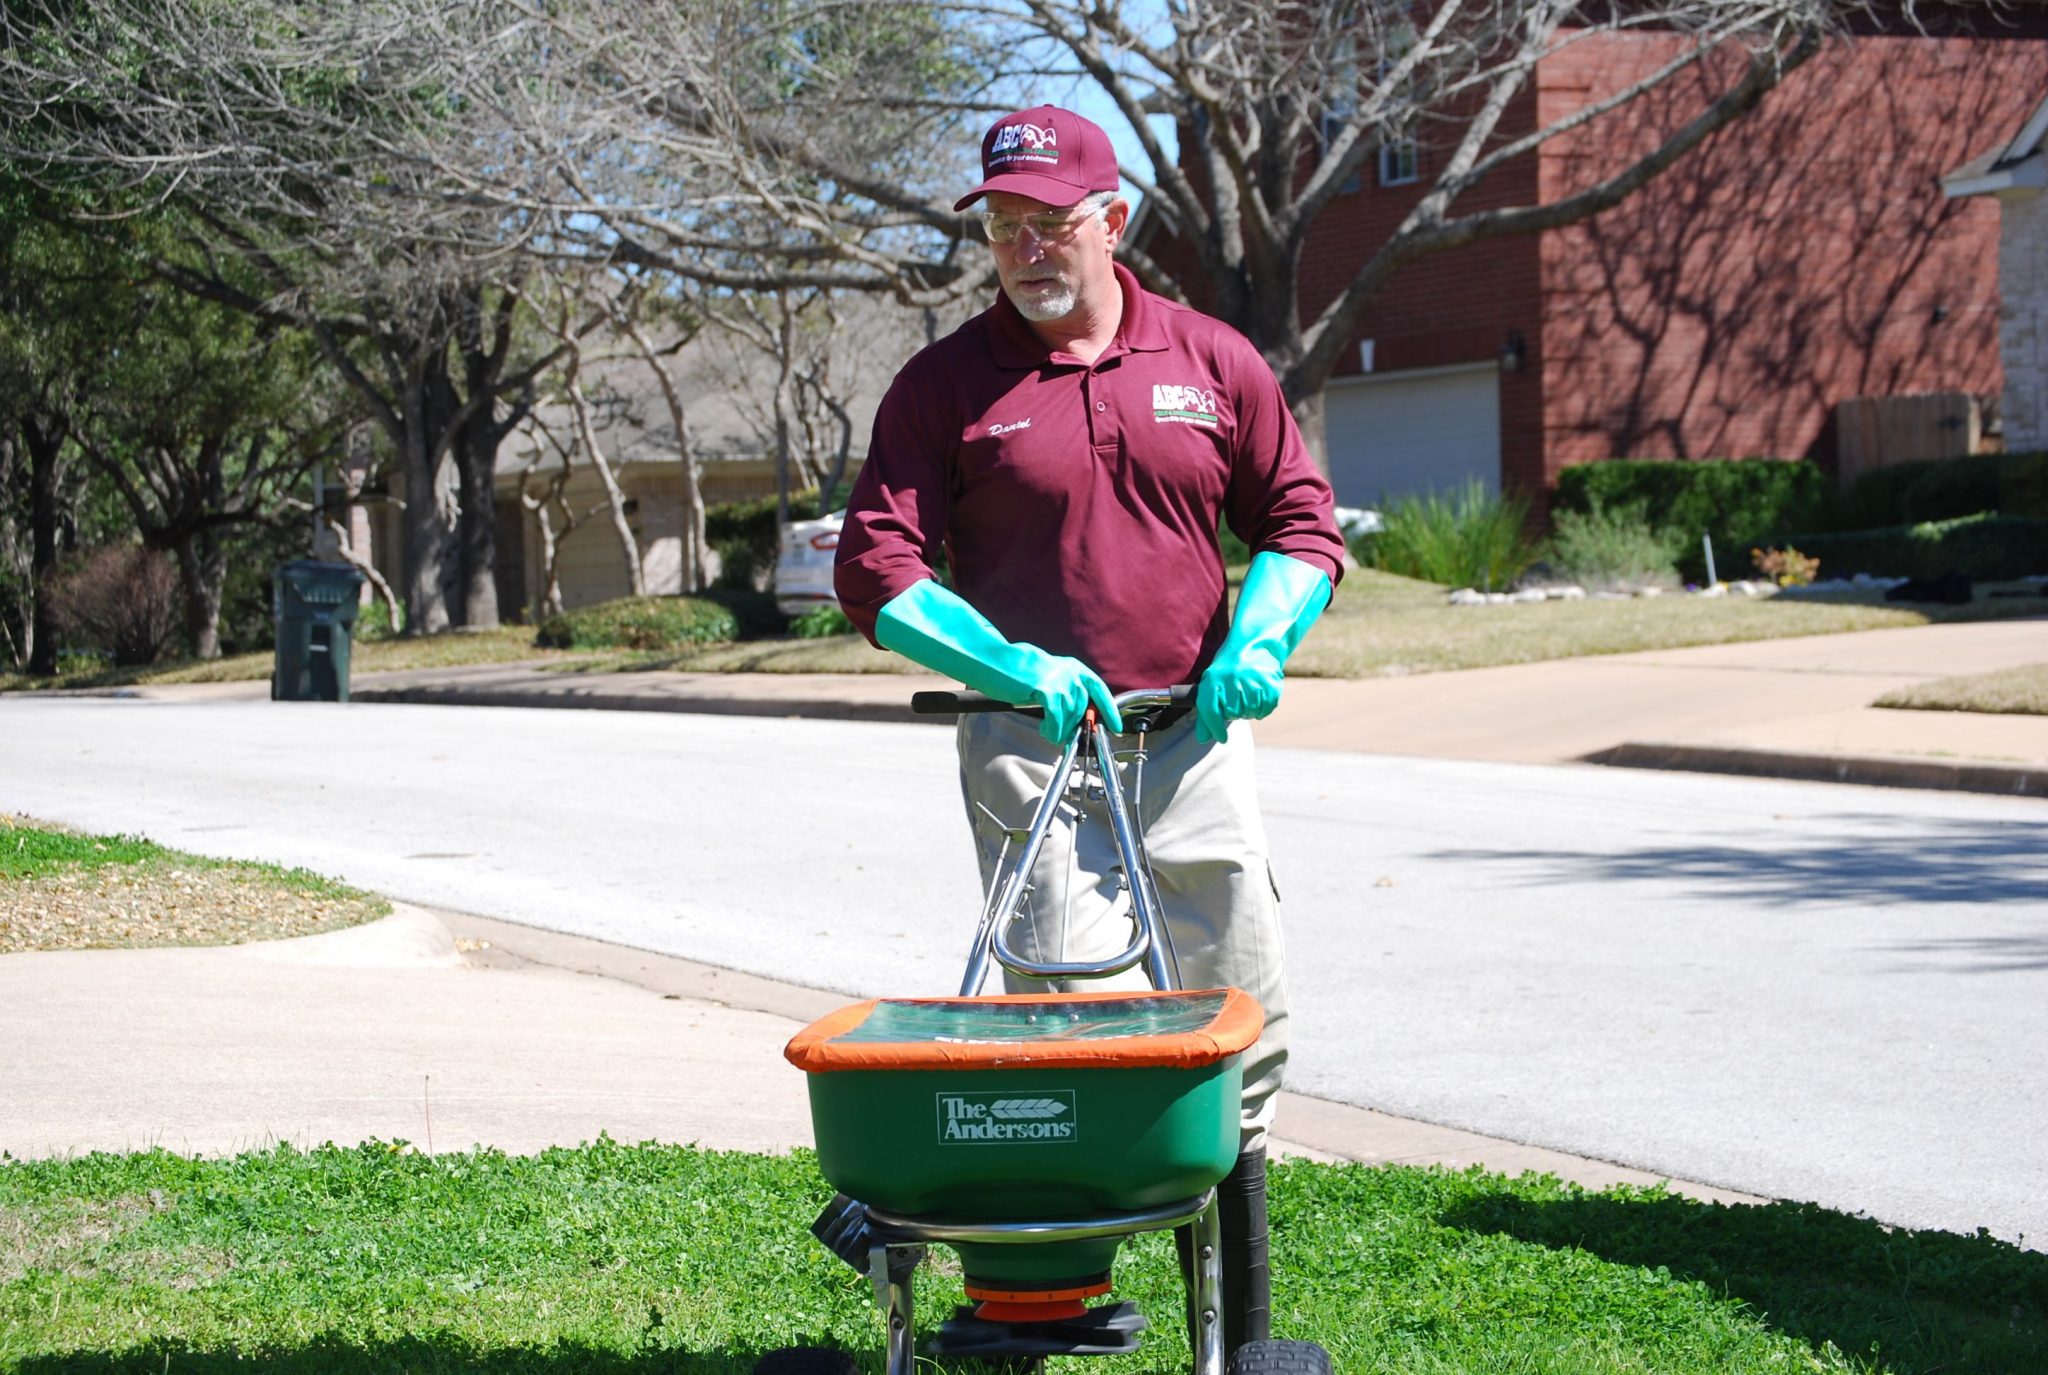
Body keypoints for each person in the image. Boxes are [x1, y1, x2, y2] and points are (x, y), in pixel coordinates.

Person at [833, 104, 1344, 1358]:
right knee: (1074, 1005)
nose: (1024, 247)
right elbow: (875, 573)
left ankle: (1240, 1331)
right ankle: (1045, 1295)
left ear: (1111, 222)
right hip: (1032, 739)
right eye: (1002, 225)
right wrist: (1008, 662)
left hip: (1188, 733)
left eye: (1050, 222)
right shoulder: (946, 384)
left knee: (1242, 1015)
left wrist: (1257, 644)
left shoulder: (1212, 359)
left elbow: (1299, 522)